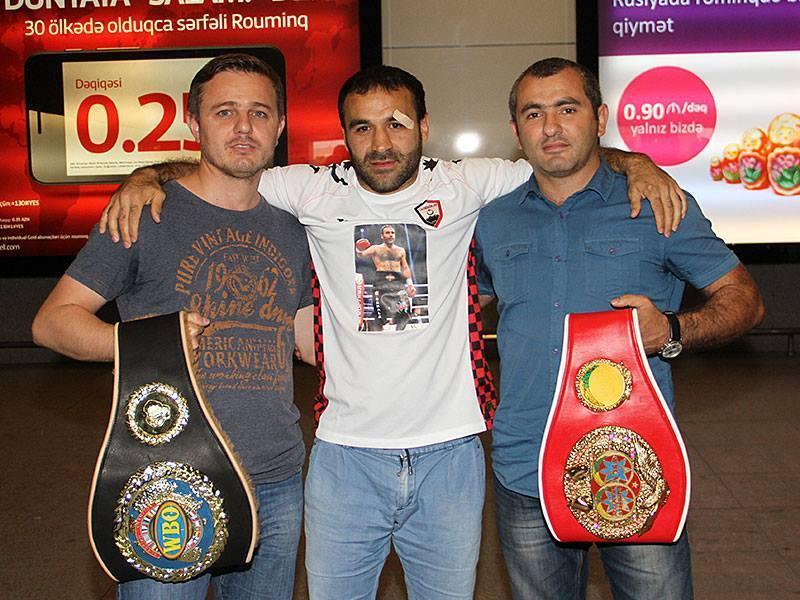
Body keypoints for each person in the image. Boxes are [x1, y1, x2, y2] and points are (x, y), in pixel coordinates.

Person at [98, 65, 687, 599]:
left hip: (451, 454)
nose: (380, 143)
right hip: (344, 456)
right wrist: (147, 175)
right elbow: (223, 171)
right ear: (344, 136)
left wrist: (636, 162)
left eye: (397, 124)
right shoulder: (307, 188)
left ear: (424, 126)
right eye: (362, 128)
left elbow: (560, 153)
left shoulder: (469, 182)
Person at [474, 57, 765, 600]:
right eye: (534, 114)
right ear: (516, 129)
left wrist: (672, 330)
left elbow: (744, 300)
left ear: (600, 118)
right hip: (525, 464)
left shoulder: (658, 206)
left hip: (635, 465)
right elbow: (465, 305)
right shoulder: (492, 220)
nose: (551, 127)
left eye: (567, 109)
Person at [31, 54, 314, 600]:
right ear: (193, 122)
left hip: (276, 478)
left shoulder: (294, 229)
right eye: (224, 111)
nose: (243, 127)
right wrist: (150, 343)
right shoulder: (144, 214)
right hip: (167, 479)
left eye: (259, 113)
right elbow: (52, 322)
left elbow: (304, 339)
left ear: (280, 126)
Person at [356, 224, 417, 330]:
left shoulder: (400, 250)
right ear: (382, 236)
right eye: (387, 233)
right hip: (381, 283)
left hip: (398, 283)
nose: (391, 235)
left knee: (404, 312)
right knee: (379, 314)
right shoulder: (375, 249)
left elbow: (405, 267)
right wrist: (358, 248)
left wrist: (410, 284)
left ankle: (400, 334)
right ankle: (378, 334)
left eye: (392, 233)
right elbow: (361, 254)